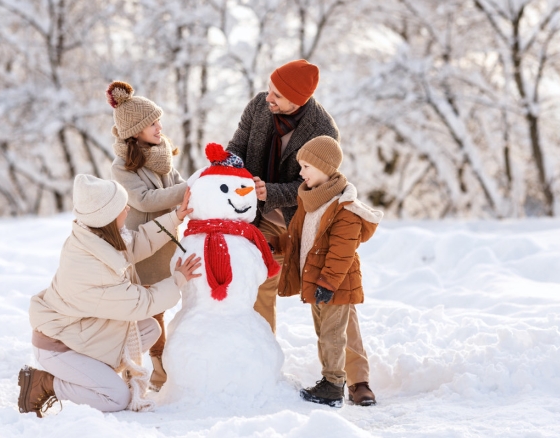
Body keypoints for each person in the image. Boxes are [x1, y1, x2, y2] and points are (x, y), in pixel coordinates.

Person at [17, 174, 201, 417]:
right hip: (60, 347)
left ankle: (98, 375)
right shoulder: (90, 268)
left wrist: (175, 217)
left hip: (84, 333)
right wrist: (177, 279)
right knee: (116, 397)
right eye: (120, 207)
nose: (127, 208)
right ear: (106, 217)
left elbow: (137, 243)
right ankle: (45, 383)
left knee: (149, 329)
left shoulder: (98, 239)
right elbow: (140, 303)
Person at [225, 59, 339, 334]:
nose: (269, 98)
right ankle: (261, 355)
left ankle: (348, 371)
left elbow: (313, 186)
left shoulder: (323, 131)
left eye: (278, 94)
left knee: (328, 294)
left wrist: (271, 191)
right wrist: (226, 163)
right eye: (269, 88)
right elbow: (238, 145)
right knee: (259, 282)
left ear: (298, 101)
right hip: (259, 214)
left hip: (299, 219)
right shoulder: (259, 106)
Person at [271, 136, 383, 407]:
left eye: (306, 166)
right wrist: (275, 243)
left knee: (333, 334)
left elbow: (341, 252)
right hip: (316, 281)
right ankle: (330, 380)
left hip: (334, 284)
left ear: (324, 167)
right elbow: (299, 238)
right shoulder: (310, 202)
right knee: (325, 333)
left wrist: (328, 282)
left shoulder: (345, 208)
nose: (301, 172)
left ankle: (333, 385)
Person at [107, 80, 188, 391]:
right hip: (144, 246)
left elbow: (177, 185)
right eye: (152, 123)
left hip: (168, 240)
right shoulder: (122, 167)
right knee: (152, 311)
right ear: (135, 129)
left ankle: (165, 368)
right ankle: (154, 372)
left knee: (165, 306)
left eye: (158, 120)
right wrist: (187, 191)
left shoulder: (161, 155)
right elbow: (145, 200)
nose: (159, 127)